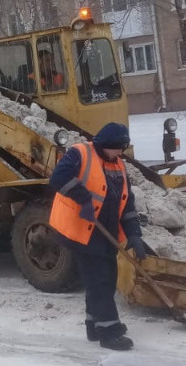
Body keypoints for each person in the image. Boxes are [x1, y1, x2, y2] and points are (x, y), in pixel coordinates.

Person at [48, 122, 146, 351]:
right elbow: (58, 178)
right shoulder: (80, 153)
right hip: (83, 231)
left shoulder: (118, 165)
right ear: (105, 145)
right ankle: (109, 332)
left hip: (106, 231)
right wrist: (82, 198)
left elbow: (126, 201)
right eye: (117, 148)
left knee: (105, 278)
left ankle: (94, 325)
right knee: (100, 280)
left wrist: (134, 234)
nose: (120, 153)